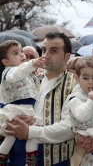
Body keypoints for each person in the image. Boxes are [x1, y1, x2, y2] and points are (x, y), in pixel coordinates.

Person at [5, 33, 76, 166]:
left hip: (53, 159)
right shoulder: (28, 79)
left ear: (67, 57)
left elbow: (71, 127)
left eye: (53, 51)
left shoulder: (75, 83)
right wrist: (12, 120)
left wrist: (29, 132)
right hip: (16, 156)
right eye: (43, 50)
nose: (46, 55)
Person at [0, 40, 45, 166]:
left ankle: (2, 157)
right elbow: (19, 72)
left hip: (26, 109)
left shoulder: (30, 76)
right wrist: (32, 63)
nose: (22, 55)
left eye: (21, 51)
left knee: (12, 137)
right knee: (33, 132)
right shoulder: (10, 72)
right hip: (17, 108)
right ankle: (31, 160)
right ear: (6, 62)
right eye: (16, 53)